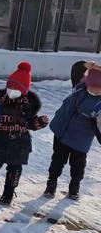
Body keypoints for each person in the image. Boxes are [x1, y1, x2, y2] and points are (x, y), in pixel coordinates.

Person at [0, 62, 49, 205]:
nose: (11, 90)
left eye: (15, 88)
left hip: (19, 144)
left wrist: (41, 122)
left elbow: (31, 124)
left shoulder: (27, 108)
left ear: (23, 90)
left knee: (14, 171)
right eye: (9, 87)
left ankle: (8, 195)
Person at [44, 64, 101, 201]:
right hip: (62, 133)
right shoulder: (78, 90)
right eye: (92, 86)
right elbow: (77, 69)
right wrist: (91, 66)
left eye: (98, 88)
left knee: (78, 166)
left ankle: (74, 187)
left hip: (82, 139)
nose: (94, 90)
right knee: (57, 161)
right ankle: (51, 184)